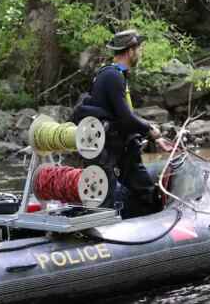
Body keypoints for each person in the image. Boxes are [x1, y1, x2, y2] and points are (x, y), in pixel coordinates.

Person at [72, 29, 173, 219]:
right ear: (130, 51)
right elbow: (125, 117)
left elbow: (120, 115)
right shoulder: (113, 76)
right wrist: (150, 129)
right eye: (139, 49)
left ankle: (141, 226)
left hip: (120, 147)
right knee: (110, 197)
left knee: (144, 191)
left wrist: (147, 132)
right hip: (110, 149)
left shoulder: (112, 74)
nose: (140, 53)